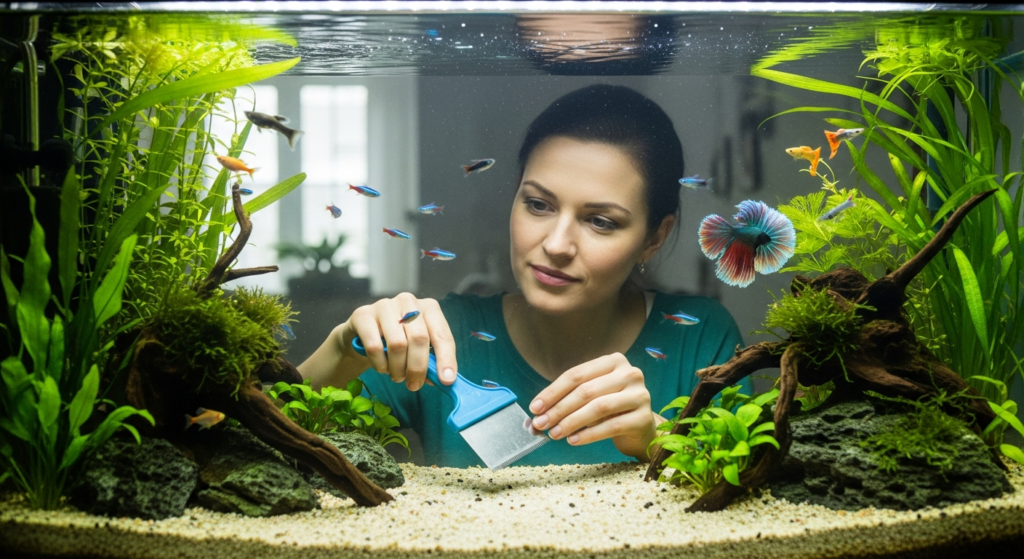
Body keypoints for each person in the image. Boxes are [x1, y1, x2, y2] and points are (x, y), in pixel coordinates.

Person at [297, 84, 747, 468]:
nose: (556, 244)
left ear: (654, 237)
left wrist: (657, 437)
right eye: (538, 204)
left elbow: (757, 486)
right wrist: (342, 348)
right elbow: (266, 437)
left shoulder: (700, 339)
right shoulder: (438, 340)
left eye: (601, 221)